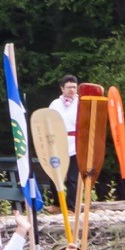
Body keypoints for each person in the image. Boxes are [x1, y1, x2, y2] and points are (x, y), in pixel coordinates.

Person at [48, 75, 80, 209]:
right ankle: (57, 204)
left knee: (73, 178)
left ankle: (71, 207)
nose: (72, 90)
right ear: (62, 88)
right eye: (68, 87)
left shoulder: (81, 103)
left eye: (74, 87)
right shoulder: (55, 104)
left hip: (76, 143)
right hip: (58, 142)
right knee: (55, 175)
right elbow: (48, 121)